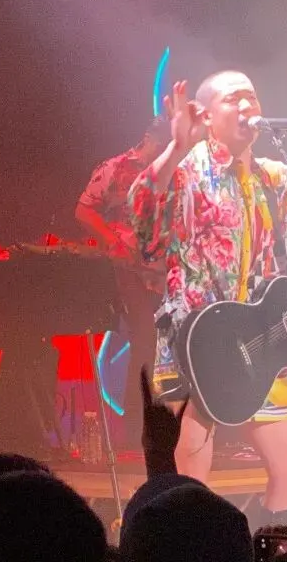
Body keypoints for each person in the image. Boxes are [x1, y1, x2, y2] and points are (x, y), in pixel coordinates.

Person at [128, 71, 287, 526]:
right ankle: (192, 545)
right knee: (192, 463)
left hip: (258, 343)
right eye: (234, 98)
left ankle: (276, 549)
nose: (247, 105)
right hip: (197, 341)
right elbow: (142, 225)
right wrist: (175, 147)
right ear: (206, 115)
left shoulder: (274, 177)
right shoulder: (187, 171)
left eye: (252, 96)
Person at [77, 116, 169, 442]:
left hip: (163, 269)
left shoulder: (175, 171)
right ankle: (136, 427)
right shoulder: (115, 168)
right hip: (127, 268)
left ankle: (166, 422)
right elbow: (84, 209)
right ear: (150, 138)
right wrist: (111, 240)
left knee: (166, 343)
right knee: (144, 337)